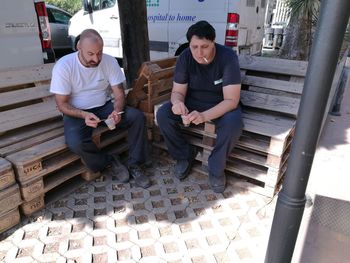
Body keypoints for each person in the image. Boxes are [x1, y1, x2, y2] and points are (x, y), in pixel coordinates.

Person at [50, 29, 151, 188]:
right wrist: (84, 115)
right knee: (75, 143)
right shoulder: (64, 66)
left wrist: (117, 110)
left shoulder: (109, 62)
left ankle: (135, 164)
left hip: (104, 107)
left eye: (99, 53)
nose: (96, 59)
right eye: (90, 54)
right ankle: (109, 162)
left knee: (137, 117)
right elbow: (61, 104)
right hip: (77, 111)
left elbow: (119, 94)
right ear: (79, 47)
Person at [156, 21, 243, 193]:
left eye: (205, 46)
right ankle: (184, 155)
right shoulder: (186, 56)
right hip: (193, 101)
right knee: (164, 114)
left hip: (221, 104)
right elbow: (178, 92)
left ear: (213, 42)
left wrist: (203, 116)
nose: (199, 52)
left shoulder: (228, 57)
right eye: (194, 46)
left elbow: (231, 101)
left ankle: (216, 169)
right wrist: (177, 103)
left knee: (234, 124)